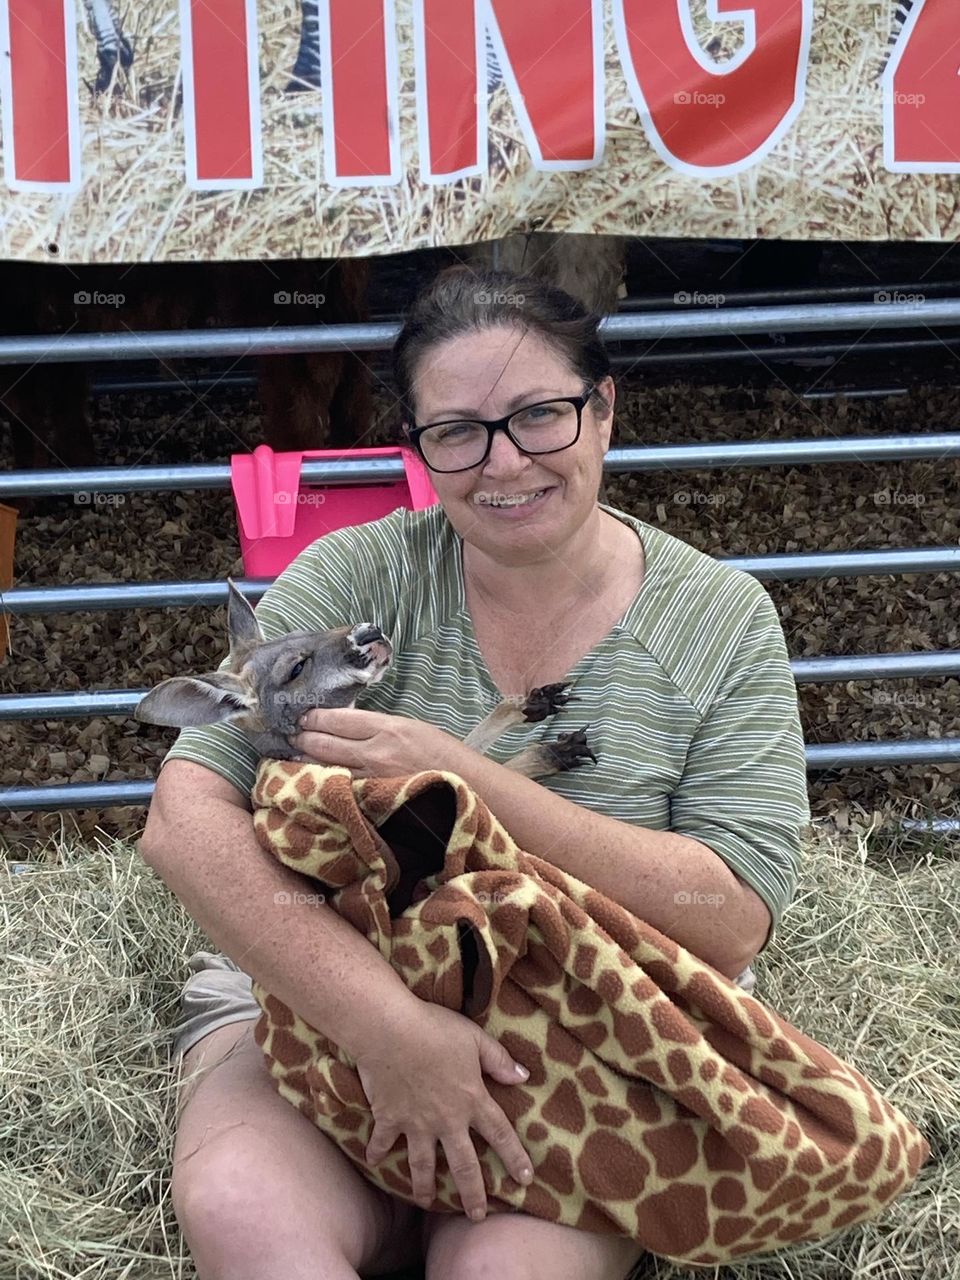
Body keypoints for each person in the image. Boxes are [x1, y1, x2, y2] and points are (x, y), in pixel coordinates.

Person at [139, 265, 811, 1280]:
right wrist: (391, 1030)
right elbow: (184, 821)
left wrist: (466, 778)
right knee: (245, 1207)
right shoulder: (355, 573)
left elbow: (729, 917)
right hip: (321, 990)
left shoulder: (721, 622)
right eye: (456, 430)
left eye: (539, 414)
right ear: (415, 444)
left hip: (586, 1008)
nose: (503, 463)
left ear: (605, 409)